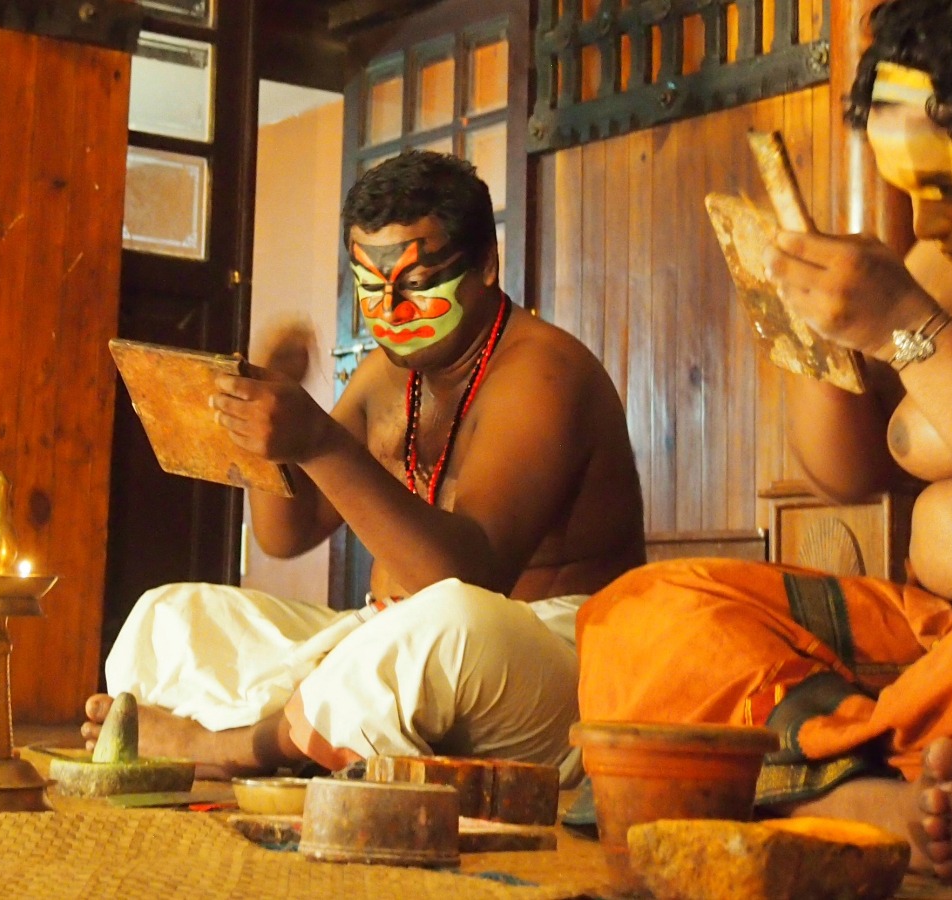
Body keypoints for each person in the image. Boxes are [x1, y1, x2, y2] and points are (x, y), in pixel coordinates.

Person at [575, 0, 952, 884]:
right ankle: (870, 792)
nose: (924, 226)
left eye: (947, 187)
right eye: (909, 191)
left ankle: (796, 777)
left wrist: (910, 327)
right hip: (933, 653)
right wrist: (818, 330)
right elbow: (846, 468)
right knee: (640, 612)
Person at [84, 150, 646, 785]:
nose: (391, 313)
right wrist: (265, 432)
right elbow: (286, 534)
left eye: (414, 285)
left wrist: (320, 441)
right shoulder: (390, 376)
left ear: (487, 266)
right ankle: (322, 732)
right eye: (371, 288)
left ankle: (241, 746)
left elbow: (470, 579)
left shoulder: (541, 375)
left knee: (444, 627)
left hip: (543, 663)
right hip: (392, 642)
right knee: (169, 618)